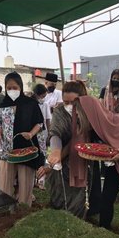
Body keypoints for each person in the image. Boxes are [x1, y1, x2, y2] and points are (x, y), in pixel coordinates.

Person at [53, 95, 119, 238]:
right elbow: (78, 143)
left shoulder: (118, 122)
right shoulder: (94, 127)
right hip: (115, 162)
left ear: (91, 112)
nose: (78, 116)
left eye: (80, 112)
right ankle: (103, 232)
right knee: (106, 198)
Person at [40, 81, 94, 217]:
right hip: (62, 163)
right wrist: (56, 152)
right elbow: (55, 133)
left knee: (81, 197)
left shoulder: (89, 112)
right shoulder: (59, 111)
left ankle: (80, 222)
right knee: (61, 198)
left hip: (83, 161)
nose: (69, 106)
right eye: (66, 102)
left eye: (73, 102)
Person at [0, 72, 45, 206]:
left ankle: (24, 209)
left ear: (20, 87)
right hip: (7, 150)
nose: (12, 91)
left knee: (25, 183)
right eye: (8, 88)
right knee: (4, 184)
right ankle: (5, 209)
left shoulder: (30, 103)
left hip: (26, 150)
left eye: (14, 87)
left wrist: (31, 134)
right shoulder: (3, 104)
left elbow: (39, 123)